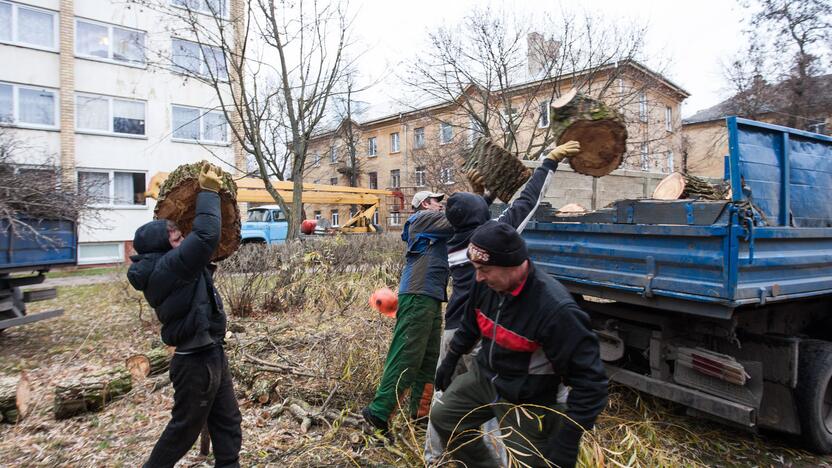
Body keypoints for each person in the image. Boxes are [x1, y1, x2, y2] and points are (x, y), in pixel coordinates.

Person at [424, 140, 581, 462]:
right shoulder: (495, 234)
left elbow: (471, 215)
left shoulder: (457, 241)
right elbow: (527, 201)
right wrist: (548, 163)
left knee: (446, 400)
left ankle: (435, 458)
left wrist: (483, 195)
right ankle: (497, 459)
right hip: (482, 332)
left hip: (453, 331)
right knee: (493, 404)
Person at [430, 220, 608, 468]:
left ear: (511, 265)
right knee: (444, 417)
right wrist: (451, 359)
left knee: (530, 463)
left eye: (484, 269)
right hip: (486, 378)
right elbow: (471, 323)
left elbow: (591, 383)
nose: (478, 277)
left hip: (528, 396)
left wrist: (568, 439)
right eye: (475, 268)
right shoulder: (485, 285)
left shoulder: (555, 310)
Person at [127, 163, 242, 468]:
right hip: (194, 364)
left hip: (210, 352)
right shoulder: (168, 268)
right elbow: (205, 236)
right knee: (184, 430)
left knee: (228, 420)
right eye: (176, 237)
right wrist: (207, 191)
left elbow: (203, 244)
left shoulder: (173, 265)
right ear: (162, 247)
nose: (183, 238)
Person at [362, 190, 453, 438]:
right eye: (438, 202)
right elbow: (459, 218)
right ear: (425, 204)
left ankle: (420, 416)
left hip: (431, 296)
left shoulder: (434, 223)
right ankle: (378, 412)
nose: (441, 206)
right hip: (417, 295)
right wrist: (478, 200)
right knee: (407, 355)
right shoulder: (422, 218)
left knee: (428, 358)